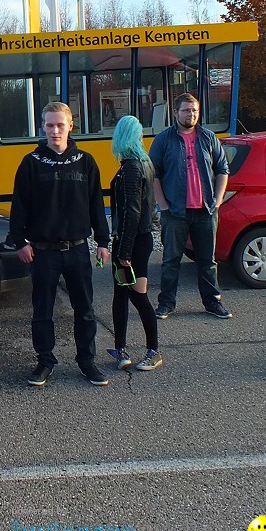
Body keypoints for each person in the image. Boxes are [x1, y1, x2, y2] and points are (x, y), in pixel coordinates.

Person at [9, 101, 111, 387]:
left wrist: (103, 241)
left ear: (70, 126)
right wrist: (20, 241)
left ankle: (87, 361)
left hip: (78, 249)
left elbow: (96, 204)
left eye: (60, 125)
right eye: (50, 125)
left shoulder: (86, 162)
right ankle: (45, 361)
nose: (55, 130)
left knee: (85, 309)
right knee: (42, 310)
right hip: (42, 251)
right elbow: (20, 206)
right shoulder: (30, 163)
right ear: (42, 127)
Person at [147, 92, 232, 320]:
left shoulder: (208, 137)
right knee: (171, 261)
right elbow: (153, 173)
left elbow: (223, 168)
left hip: (205, 211)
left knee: (207, 261)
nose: (191, 114)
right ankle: (166, 304)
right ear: (176, 113)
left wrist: (218, 199)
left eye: (194, 110)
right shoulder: (164, 139)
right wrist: (162, 204)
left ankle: (212, 302)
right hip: (175, 212)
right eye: (186, 110)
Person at [107, 115, 162, 372]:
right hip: (142, 239)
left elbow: (131, 212)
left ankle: (151, 350)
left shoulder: (130, 167)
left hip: (131, 242)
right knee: (125, 295)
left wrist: (123, 252)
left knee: (135, 297)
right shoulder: (145, 162)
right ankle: (122, 348)